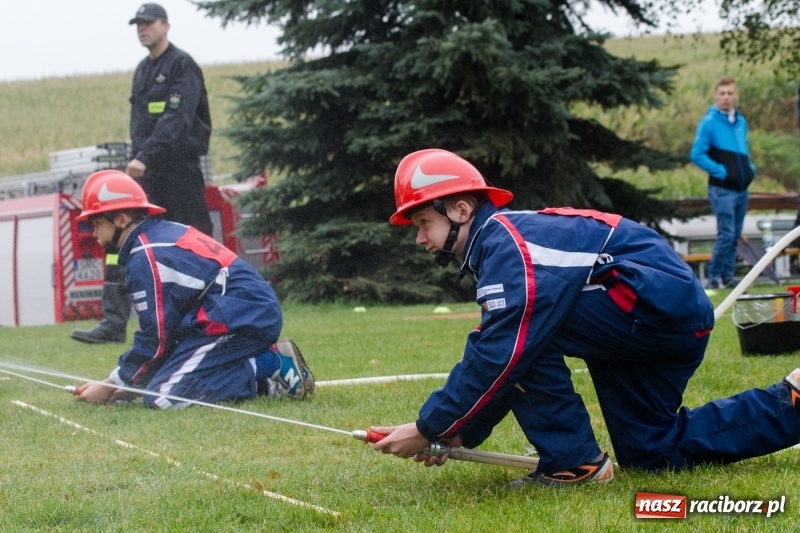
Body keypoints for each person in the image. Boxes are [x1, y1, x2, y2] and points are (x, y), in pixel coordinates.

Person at [371, 148, 800, 487]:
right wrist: (457, 432)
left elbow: (503, 351)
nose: (419, 238)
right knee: (652, 452)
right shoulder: (505, 243)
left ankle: (573, 465)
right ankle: (792, 403)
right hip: (658, 318)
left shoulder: (505, 241)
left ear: (461, 210)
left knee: (520, 336)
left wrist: (429, 426)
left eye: (423, 222)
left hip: (654, 309)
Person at [73, 170, 314, 408]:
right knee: (155, 386)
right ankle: (263, 375)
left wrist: (113, 383)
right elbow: (168, 329)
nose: (93, 233)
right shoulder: (156, 237)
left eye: (96, 223)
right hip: (235, 311)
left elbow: (156, 338)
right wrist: (126, 383)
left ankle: (270, 363)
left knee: (163, 398)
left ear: (121, 219)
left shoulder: (144, 256)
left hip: (239, 316)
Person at [71, 3, 214, 344]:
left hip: (178, 173)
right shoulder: (142, 69)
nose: (142, 28)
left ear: (166, 25)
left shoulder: (182, 65)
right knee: (118, 240)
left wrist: (145, 157)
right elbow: (142, 123)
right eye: (138, 24)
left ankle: (213, 312)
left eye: (149, 23)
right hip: (145, 174)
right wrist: (139, 160)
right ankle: (112, 323)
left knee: (193, 242)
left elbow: (176, 122)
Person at [690, 76, 756, 290]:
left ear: (735, 95)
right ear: (716, 95)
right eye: (722, 93)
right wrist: (722, 171)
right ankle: (713, 277)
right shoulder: (709, 122)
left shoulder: (740, 121)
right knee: (726, 234)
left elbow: (743, 150)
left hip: (741, 189)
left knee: (736, 235)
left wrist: (750, 170)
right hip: (722, 189)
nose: (726, 97)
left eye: (730, 93)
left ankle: (728, 277)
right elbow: (697, 154)